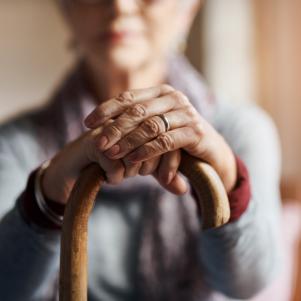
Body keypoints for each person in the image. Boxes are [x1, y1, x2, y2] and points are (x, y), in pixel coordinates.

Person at [0, 0, 282, 300]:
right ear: (66, 7)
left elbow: (248, 284)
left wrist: (224, 176)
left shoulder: (241, 131)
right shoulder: (16, 143)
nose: (119, 6)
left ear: (187, 10)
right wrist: (46, 196)